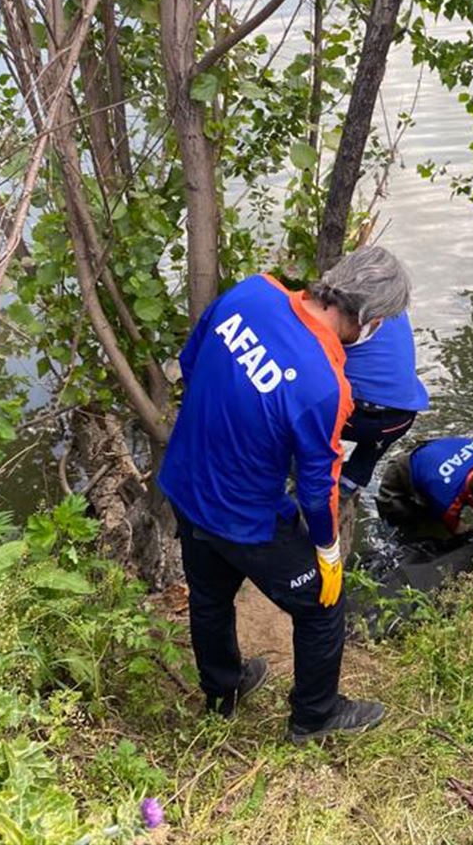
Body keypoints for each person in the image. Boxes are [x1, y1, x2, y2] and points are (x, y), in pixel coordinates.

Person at [157, 246, 410, 741]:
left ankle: (222, 690)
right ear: (367, 318)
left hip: (185, 479)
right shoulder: (325, 384)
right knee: (321, 607)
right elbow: (318, 489)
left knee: (209, 597)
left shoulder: (252, 292)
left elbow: (191, 362)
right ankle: (315, 716)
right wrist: (327, 550)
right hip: (245, 517)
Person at [340, 312, 430, 497]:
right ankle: (351, 480)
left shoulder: (342, 310)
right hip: (402, 419)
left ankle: (304, 465)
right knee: (375, 444)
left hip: (353, 418)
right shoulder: (396, 305)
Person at [375, 435, 473, 542]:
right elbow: (458, 529)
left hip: (438, 453)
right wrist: (469, 529)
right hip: (405, 468)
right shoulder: (447, 500)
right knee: (401, 517)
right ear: (471, 498)